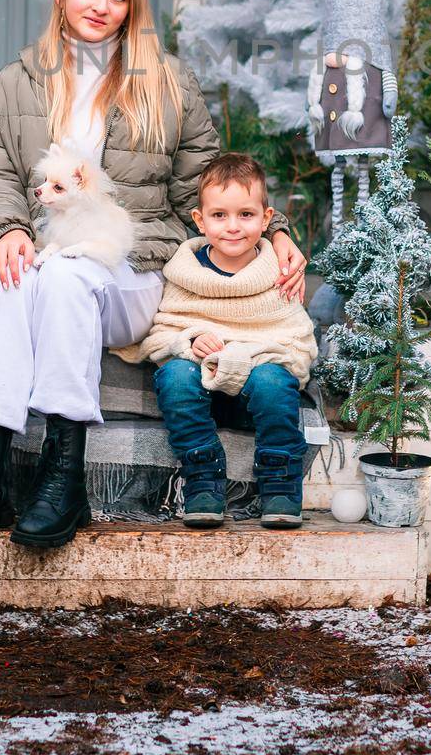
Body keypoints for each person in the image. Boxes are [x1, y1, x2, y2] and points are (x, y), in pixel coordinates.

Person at [0, 0, 307, 549]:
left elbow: (213, 182)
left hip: (131, 271)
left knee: (63, 277)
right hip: (44, 255)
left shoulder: (166, 84)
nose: (101, 5)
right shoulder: (10, 88)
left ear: (131, 10)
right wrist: (7, 231)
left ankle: (64, 471)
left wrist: (275, 228)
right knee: (5, 281)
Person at [114, 153, 317, 530]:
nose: (233, 227)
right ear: (200, 220)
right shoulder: (185, 273)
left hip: (256, 397)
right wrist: (189, 341)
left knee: (274, 381)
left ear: (267, 219)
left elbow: (298, 344)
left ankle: (280, 482)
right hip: (195, 399)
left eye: (246, 215)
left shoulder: (277, 273)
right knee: (174, 375)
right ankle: (203, 477)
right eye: (219, 215)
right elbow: (161, 334)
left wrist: (244, 355)